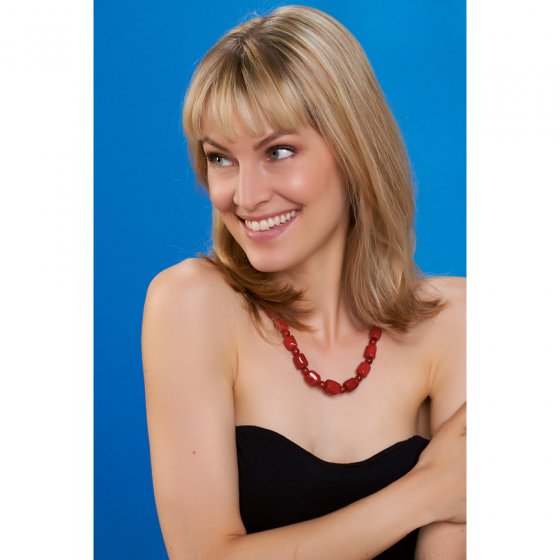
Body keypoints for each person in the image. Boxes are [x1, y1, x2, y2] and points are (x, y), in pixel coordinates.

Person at [141, 5, 466, 559]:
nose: (245, 197)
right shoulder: (191, 305)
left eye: (279, 151)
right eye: (220, 158)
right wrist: (424, 494)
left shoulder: (457, 324)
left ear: (355, 150)